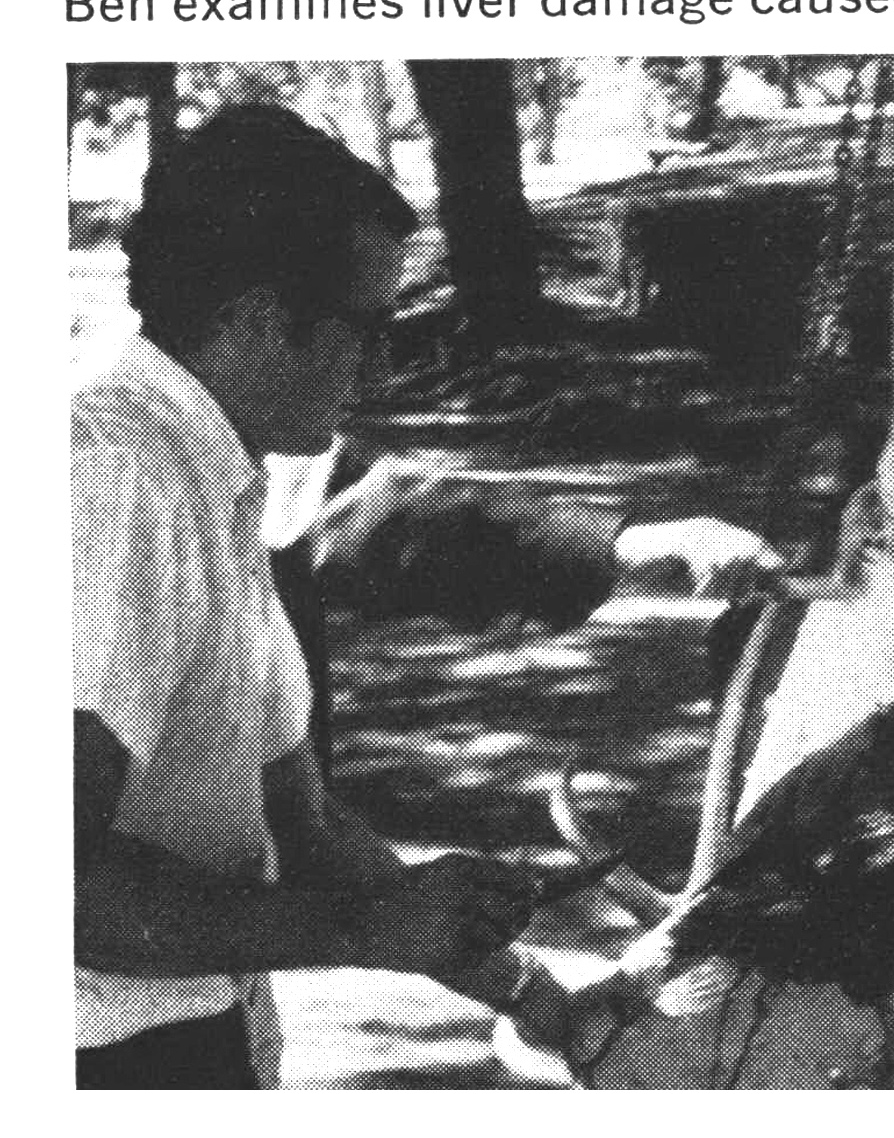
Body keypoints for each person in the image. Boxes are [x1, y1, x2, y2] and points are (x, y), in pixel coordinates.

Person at [72, 105, 543, 1088]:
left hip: (203, 1037)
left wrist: (547, 999)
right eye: (366, 330)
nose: (382, 368)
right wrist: (372, 928)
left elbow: (304, 828)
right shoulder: (118, 486)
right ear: (252, 320)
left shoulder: (221, 477)